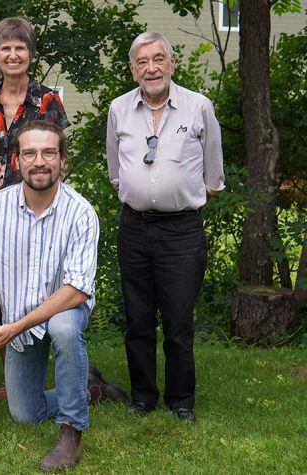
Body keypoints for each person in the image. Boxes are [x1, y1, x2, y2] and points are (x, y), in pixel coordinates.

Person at [106, 32, 225, 423]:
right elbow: (116, 174)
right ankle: (142, 396)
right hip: (135, 228)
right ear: (132, 69)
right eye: (142, 61)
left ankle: (181, 400)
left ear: (172, 64)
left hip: (182, 231)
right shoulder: (118, 110)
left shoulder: (198, 107)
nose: (151, 68)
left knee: (178, 321)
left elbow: (213, 176)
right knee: (137, 319)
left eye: (159, 59)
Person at [0, 121, 97, 471]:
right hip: (16, 322)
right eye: (30, 153)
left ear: (61, 160)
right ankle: (88, 386)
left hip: (62, 309)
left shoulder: (81, 212)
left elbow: (76, 289)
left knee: (65, 329)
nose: (39, 161)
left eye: (49, 153)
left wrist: (14, 328)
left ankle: (71, 432)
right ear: (16, 161)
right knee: (25, 415)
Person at [0, 16, 70, 400]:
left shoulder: (48, 101)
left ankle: (37, 369)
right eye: (6, 47)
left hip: (35, 202)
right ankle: (12, 378)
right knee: (1, 285)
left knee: (31, 285)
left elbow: (56, 153)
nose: (13, 54)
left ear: (30, 54)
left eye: (20, 47)